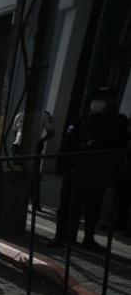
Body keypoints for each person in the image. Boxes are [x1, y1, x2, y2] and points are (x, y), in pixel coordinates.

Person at [54, 88, 130, 252]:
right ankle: (63, 237)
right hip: (76, 169)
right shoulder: (83, 119)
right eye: (96, 98)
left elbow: (116, 145)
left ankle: (88, 239)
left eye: (102, 98)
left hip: (98, 172)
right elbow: (69, 143)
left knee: (92, 207)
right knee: (68, 205)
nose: (96, 102)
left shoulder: (118, 121)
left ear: (111, 101)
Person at [11, 109, 55, 212]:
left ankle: (35, 203)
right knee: (16, 173)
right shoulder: (20, 115)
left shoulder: (43, 115)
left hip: (34, 148)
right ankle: (15, 200)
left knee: (34, 176)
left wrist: (40, 141)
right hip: (19, 147)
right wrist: (18, 142)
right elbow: (15, 130)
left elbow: (51, 132)